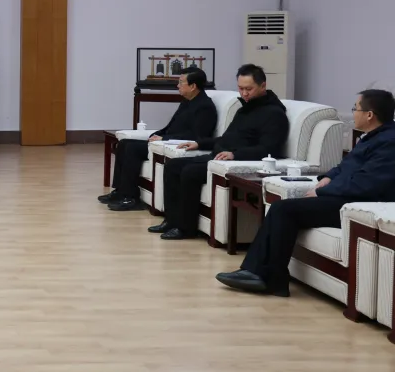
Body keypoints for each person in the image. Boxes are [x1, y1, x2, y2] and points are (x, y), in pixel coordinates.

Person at [217, 89, 395, 296]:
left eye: (356, 108)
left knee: (284, 210)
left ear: (369, 115)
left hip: (357, 205)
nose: (353, 113)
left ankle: (270, 279)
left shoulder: (389, 142)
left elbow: (366, 184)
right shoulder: (372, 137)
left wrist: (323, 192)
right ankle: (255, 272)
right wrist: (326, 178)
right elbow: (345, 166)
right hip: (343, 196)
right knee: (281, 208)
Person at [151, 64, 289, 241]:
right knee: (173, 165)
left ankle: (186, 228)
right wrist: (199, 143)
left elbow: (269, 149)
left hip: (235, 160)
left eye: (249, 89)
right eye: (241, 88)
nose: (244, 94)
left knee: (190, 172)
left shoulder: (274, 114)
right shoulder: (245, 109)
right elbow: (226, 138)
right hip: (219, 156)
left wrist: (235, 154)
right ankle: (171, 220)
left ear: (263, 85)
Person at [102, 67, 217, 212]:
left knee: (132, 148)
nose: (178, 86)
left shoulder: (205, 107)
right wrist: (156, 134)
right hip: (165, 141)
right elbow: (171, 126)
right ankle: (120, 191)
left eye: (181, 82)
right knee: (124, 144)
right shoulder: (187, 101)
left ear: (193, 86)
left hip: (174, 144)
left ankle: (130, 197)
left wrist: (164, 138)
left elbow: (196, 136)